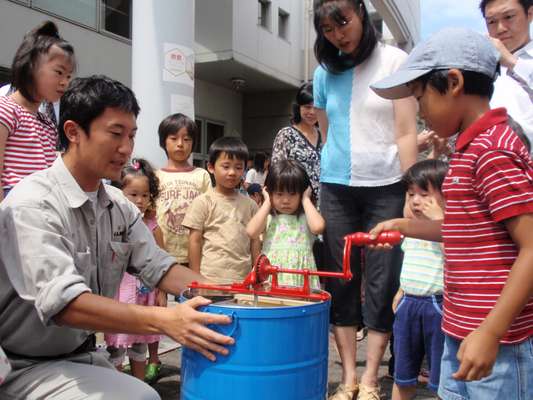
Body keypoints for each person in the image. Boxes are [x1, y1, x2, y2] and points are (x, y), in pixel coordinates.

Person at [0, 75, 234, 400]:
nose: (126, 148)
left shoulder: (117, 204)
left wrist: (233, 296)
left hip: (80, 355)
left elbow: (160, 267)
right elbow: (65, 305)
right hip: (20, 366)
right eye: (115, 134)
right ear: (73, 132)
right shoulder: (33, 204)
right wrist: (166, 320)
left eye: (132, 135)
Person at [371, 27, 533, 400]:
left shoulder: (493, 150)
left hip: (499, 342)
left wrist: (491, 332)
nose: (420, 111)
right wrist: (402, 225)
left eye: (420, 97)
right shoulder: (464, 151)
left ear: (454, 82)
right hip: (459, 329)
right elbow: (461, 229)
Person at [312, 1, 418, 398]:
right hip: (337, 187)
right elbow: (328, 130)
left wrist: (412, 189)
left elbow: (407, 131)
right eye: (327, 28)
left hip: (388, 184)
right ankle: (348, 378)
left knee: (382, 279)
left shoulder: (395, 61)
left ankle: (371, 377)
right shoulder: (324, 70)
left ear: (360, 12)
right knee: (341, 278)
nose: (338, 33)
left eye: (343, 21)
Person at [105, 158, 167, 383]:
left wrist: (162, 291)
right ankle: (118, 388)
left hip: (144, 295)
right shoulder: (110, 224)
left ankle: (141, 389)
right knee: (116, 347)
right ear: (118, 193)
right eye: (133, 194)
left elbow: (163, 261)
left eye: (145, 195)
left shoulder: (153, 226)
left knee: (140, 341)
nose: (140, 201)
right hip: (119, 296)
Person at [390, 159, 447, 400]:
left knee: (443, 376)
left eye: (425, 194)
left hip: (438, 306)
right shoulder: (409, 230)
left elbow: (453, 254)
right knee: (403, 374)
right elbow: (409, 265)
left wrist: (440, 220)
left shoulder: (447, 230)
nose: (415, 201)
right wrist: (400, 291)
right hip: (409, 304)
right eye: (410, 194)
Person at [0, 20, 75, 200]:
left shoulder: (47, 122)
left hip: (44, 201)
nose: (65, 82)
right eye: (59, 72)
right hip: (14, 200)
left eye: (69, 76)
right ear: (31, 66)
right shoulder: (5, 109)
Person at [183, 136, 261, 284]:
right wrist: (195, 278)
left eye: (238, 167)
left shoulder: (250, 205)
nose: (232, 172)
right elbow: (194, 241)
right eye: (226, 166)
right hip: (210, 280)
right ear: (211, 167)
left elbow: (255, 242)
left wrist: (257, 276)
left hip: (243, 281)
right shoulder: (202, 202)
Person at [246, 160, 325, 289]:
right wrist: (267, 202)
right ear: (270, 192)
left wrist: (305, 199)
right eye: (279, 194)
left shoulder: (306, 217)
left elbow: (318, 227)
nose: (286, 200)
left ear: (302, 192)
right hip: (271, 277)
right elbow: (251, 231)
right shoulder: (270, 217)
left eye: (293, 194)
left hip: (301, 278)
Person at [155, 113, 211, 269]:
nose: (180, 144)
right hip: (162, 253)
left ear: (193, 143)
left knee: (193, 292)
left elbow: (209, 213)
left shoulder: (201, 175)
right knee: (160, 292)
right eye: (173, 138)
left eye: (186, 139)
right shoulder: (155, 177)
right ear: (163, 142)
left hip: (195, 252)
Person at [480, 0, 533, 149]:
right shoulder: (482, 66)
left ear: (529, 14)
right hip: (494, 164)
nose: (500, 28)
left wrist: (511, 62)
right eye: (491, 21)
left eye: (509, 17)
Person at [272, 82, 322, 202]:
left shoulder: (325, 135)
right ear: (298, 107)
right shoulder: (286, 134)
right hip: (296, 203)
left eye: (316, 107)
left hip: (324, 203)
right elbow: (277, 171)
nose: (312, 112)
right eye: (307, 107)